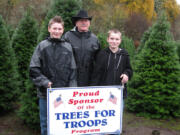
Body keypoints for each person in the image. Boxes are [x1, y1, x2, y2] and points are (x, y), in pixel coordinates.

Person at [29, 16, 77, 135]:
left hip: (63, 94)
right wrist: (45, 82)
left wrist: (72, 89)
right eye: (54, 28)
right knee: (45, 123)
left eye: (59, 29)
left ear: (63, 30)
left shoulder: (68, 47)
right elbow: (33, 69)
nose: (57, 31)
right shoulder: (42, 46)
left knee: (63, 124)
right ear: (49, 29)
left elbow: (73, 70)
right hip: (45, 94)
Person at [91, 29, 133, 135]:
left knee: (115, 120)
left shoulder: (124, 54)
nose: (114, 41)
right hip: (103, 93)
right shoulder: (102, 54)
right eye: (112, 39)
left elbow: (129, 69)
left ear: (120, 40)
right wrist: (94, 90)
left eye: (117, 39)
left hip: (118, 94)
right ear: (108, 39)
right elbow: (96, 74)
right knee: (102, 120)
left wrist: (126, 74)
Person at [64, 9, 100, 86]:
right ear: (76, 23)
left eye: (86, 20)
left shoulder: (95, 39)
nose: (84, 22)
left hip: (89, 79)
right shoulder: (68, 36)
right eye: (81, 20)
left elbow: (98, 61)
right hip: (71, 78)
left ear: (89, 23)